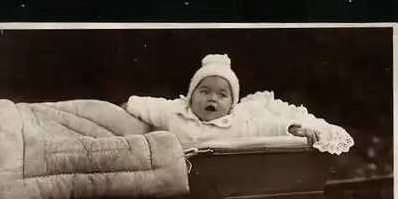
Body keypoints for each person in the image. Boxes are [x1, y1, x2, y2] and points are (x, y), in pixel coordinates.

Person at [120, 53, 321, 146]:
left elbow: (266, 126)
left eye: (222, 95)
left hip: (222, 182)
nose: (212, 99)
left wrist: (293, 128)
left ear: (232, 104)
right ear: (191, 96)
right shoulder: (176, 111)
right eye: (205, 91)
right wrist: (128, 106)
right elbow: (149, 106)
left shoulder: (237, 122)